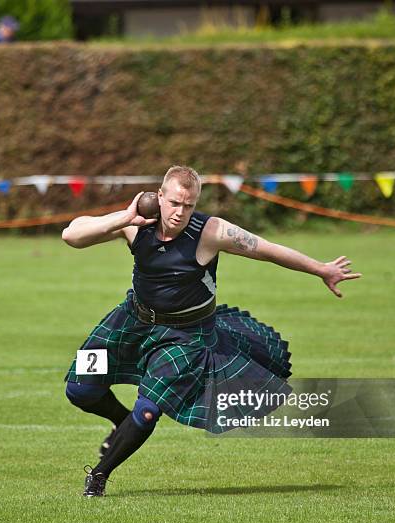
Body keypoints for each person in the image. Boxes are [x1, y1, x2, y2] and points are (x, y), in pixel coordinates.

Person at [62, 166, 361, 497]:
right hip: (130, 323)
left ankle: (100, 476)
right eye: (175, 203)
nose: (180, 213)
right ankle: (121, 422)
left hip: (185, 336)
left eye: (188, 205)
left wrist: (321, 269)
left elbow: (267, 249)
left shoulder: (211, 231)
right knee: (80, 389)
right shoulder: (134, 225)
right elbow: (71, 235)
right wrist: (123, 219)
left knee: (146, 412)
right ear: (159, 197)